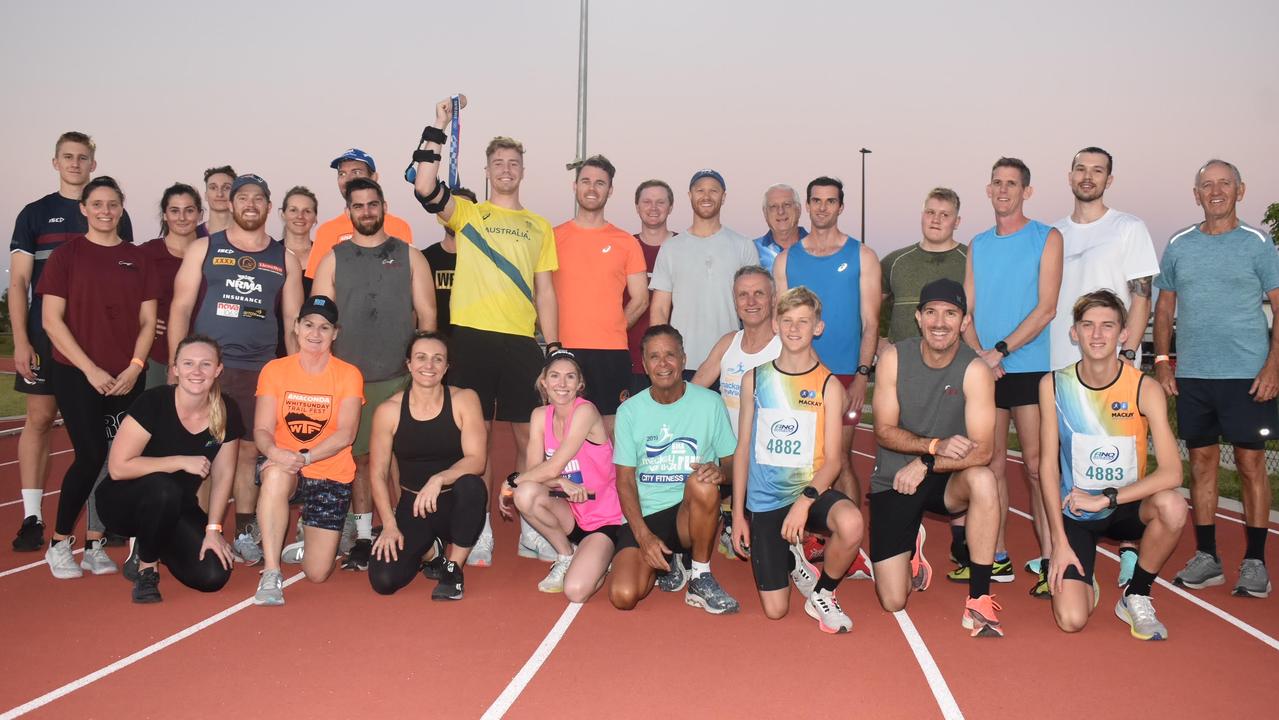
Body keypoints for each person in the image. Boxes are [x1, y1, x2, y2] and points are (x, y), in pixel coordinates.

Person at [410, 97, 560, 567]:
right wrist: (438, 127)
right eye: (498, 163)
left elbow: (546, 291)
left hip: (520, 341)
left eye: (514, 163)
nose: (506, 169)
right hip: (471, 337)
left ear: (523, 171)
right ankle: (480, 530)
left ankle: (531, 523)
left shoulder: (539, 226)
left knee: (525, 436)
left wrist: (554, 347)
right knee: (475, 435)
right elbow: (424, 185)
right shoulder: (469, 214)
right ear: (488, 170)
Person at [1156, 159, 1278, 599]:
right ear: (1196, 194)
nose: (1216, 191)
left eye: (1225, 184)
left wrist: (1273, 366)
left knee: (1250, 466)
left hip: (1247, 375)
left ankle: (1255, 562)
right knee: (1202, 464)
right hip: (1194, 375)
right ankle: (1207, 556)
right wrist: (1164, 360)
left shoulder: (1258, 243)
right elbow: (1165, 307)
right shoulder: (1179, 244)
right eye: (1207, 185)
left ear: (1240, 191)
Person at [168, 174, 305, 565]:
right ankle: (195, 530)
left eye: (257, 198)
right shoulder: (204, 248)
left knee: (247, 454)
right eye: (242, 197)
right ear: (230, 203)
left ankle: (246, 532)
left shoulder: (284, 259)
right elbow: (179, 307)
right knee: (204, 454)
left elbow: (293, 317)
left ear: (267, 206)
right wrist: (178, 366)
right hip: (207, 370)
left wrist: (295, 373)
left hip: (260, 369)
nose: (249, 204)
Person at [9, 131, 135, 552]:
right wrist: (23, 340)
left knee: (102, 436)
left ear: (93, 164)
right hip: (50, 337)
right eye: (68, 157)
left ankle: (101, 524)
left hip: (103, 343)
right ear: (56, 162)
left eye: (83, 157)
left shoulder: (116, 214)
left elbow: (127, 281)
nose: (75, 164)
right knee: (41, 419)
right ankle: (31, 517)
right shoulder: (35, 214)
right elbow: (22, 282)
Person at [1040, 290, 1188, 639]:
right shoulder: (1054, 385)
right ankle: (1083, 570)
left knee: (1173, 505)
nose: (1097, 335)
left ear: (1123, 334)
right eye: (1087, 325)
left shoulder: (1144, 388)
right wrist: (1057, 544)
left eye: (1108, 326)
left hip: (1123, 507)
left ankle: (1136, 593)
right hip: (1075, 513)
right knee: (1071, 620)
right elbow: (1047, 467)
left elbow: (1172, 472)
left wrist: (1106, 498)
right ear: (1073, 332)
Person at [1044, 148, 1160, 592]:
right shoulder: (1054, 233)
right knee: (1058, 465)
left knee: (1122, 463)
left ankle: (1131, 555)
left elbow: (1141, 294)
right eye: (1080, 169)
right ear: (1069, 175)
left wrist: (1128, 353)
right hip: (1062, 367)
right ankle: (1058, 549)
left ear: (1109, 179)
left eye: (1097, 171)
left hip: (1112, 366)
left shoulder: (1128, 228)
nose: (1087, 177)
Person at [312, 176, 436, 570]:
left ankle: (406, 529)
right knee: (362, 461)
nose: (366, 211)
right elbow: (319, 320)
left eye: (372, 204)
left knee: (402, 460)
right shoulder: (333, 257)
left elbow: (429, 317)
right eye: (358, 206)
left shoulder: (410, 256)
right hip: (350, 379)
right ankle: (365, 535)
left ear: (384, 206)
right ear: (348, 211)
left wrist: (423, 370)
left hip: (399, 376)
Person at [869, 279, 1003, 637]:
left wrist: (928, 462)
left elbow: (984, 450)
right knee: (893, 600)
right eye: (931, 312)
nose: (939, 322)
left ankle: (978, 598)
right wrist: (933, 446)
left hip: (945, 478)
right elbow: (883, 430)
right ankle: (911, 541)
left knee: (984, 479)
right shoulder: (895, 357)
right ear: (918, 317)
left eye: (950, 313)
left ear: (964, 322)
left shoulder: (975, 370)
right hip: (895, 478)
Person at [38, 176, 157, 579]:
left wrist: (135, 366)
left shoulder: (137, 258)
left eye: (113, 204)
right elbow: (51, 321)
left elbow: (147, 320)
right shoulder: (66, 256)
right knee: (89, 456)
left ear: (122, 209)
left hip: (126, 376)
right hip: (77, 374)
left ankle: (94, 543)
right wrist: (90, 369)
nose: (105, 211)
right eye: (98, 204)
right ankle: (58, 543)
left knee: (114, 461)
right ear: (84, 209)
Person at [731, 287, 860, 633]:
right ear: (775, 324)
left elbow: (834, 460)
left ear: (818, 327)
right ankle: (792, 558)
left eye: (804, 321)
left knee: (852, 523)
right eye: (787, 320)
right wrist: (738, 515)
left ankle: (823, 594)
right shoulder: (755, 378)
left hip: (809, 493)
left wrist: (804, 503)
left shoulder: (829, 385)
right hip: (765, 502)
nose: (794, 328)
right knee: (775, 610)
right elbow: (743, 448)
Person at [960, 157, 1063, 585]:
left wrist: (1000, 351)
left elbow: (1047, 308)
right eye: (997, 183)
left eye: (1012, 184)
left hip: (1029, 367)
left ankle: (1050, 557)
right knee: (992, 464)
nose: (1004, 190)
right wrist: (980, 354)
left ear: (1027, 191)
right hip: (986, 365)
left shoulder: (1047, 237)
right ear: (988, 190)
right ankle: (996, 554)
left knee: (1038, 467)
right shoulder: (978, 244)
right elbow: (967, 309)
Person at [774, 176, 881, 574]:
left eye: (830, 201)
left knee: (843, 459)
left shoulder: (862, 256)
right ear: (807, 205)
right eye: (815, 201)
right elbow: (781, 323)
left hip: (843, 375)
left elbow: (870, 323)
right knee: (803, 461)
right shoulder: (787, 259)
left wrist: (861, 375)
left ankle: (851, 549)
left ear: (840, 206)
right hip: (798, 375)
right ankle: (809, 538)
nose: (822, 208)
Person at [96, 336, 241, 602]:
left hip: (176, 506)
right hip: (123, 503)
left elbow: (223, 476)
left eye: (205, 364)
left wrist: (213, 530)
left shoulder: (226, 410)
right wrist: (180, 461)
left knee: (213, 576)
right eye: (188, 364)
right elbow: (117, 468)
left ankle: (153, 539)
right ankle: (146, 567)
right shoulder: (153, 402)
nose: (196, 372)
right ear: (175, 368)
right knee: (165, 488)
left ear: (218, 369)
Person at [609, 325, 739, 614]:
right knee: (624, 595)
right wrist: (643, 537)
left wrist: (721, 473)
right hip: (647, 515)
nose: (663, 363)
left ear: (683, 358)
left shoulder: (710, 403)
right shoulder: (629, 411)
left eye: (670, 355)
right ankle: (669, 565)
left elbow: (732, 464)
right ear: (644, 365)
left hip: (688, 514)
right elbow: (625, 482)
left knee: (703, 482)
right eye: (654, 357)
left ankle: (700, 576)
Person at [251, 296, 364, 605]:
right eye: (309, 325)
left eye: (324, 327)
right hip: (286, 467)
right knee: (273, 476)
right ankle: (272, 571)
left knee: (317, 572)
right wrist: (275, 453)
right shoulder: (275, 371)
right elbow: (261, 430)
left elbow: (346, 433)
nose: (316, 334)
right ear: (297, 328)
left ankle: (309, 537)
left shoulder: (349, 374)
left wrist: (306, 458)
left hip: (329, 473)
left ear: (335, 333)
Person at [368, 332, 487, 600]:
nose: (429, 366)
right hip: (414, 507)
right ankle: (431, 553)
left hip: (455, 504)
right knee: (384, 581)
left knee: (472, 485)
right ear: (409, 364)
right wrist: (389, 524)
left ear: (446, 367)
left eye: (437, 359)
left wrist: (440, 478)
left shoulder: (464, 400)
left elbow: (477, 461)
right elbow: (377, 474)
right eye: (421, 358)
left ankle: (453, 569)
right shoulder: (388, 411)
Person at [509, 351, 623, 600]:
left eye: (570, 377)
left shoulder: (585, 412)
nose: (562, 384)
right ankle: (565, 554)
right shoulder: (540, 416)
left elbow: (547, 468)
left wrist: (511, 482)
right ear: (544, 382)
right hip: (570, 513)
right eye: (555, 376)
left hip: (604, 518)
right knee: (525, 494)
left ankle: (603, 558)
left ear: (579, 384)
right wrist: (559, 481)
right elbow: (533, 473)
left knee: (576, 592)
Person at [553, 155, 648, 433]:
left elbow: (641, 298)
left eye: (600, 183)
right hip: (565, 350)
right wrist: (552, 335)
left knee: (610, 430)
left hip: (611, 352)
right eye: (586, 181)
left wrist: (613, 326)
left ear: (610, 190)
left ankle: (610, 480)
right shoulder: (553, 236)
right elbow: (539, 294)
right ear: (575, 186)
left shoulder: (626, 242)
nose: (592, 188)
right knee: (564, 429)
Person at [648, 169, 759, 371]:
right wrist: (661, 356)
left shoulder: (743, 246)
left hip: (731, 362)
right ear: (690, 196)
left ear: (723, 197)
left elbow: (756, 307)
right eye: (700, 190)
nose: (706, 196)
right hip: (682, 362)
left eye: (713, 191)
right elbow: (660, 309)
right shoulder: (671, 248)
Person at [304, 148, 414, 280]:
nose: (348, 179)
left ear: (374, 177)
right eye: (342, 174)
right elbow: (315, 285)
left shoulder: (399, 227)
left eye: (356, 172)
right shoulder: (326, 231)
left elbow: (408, 280)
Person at [880, 188, 968, 344]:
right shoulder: (895, 261)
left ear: (957, 222)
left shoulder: (971, 260)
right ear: (922, 216)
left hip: (957, 362)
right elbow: (864, 310)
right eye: (930, 212)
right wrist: (878, 343)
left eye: (945, 215)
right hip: (901, 363)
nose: (936, 220)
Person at [140, 183, 203, 389]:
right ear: (165, 215)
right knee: (157, 416)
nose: (182, 217)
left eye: (189, 210)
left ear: (200, 214)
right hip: (157, 354)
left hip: (205, 353)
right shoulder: (146, 254)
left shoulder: (213, 253)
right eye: (174, 211)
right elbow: (119, 296)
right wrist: (138, 319)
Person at [625, 180, 675, 395]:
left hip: (672, 363)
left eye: (660, 202)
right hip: (629, 360)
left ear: (670, 207)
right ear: (637, 207)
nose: (653, 208)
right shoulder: (624, 246)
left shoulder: (683, 247)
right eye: (646, 202)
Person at [422, 187, 479, 335]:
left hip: (475, 346)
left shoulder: (485, 261)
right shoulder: (424, 259)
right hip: (437, 347)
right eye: (452, 209)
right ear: (441, 214)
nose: (456, 216)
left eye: (462, 210)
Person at [753, 184, 808, 273]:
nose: (781, 211)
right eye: (773, 207)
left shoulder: (819, 246)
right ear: (765, 213)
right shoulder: (752, 250)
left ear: (798, 209)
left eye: (787, 205)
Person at [201, 166, 235, 237]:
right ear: (206, 195)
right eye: (213, 188)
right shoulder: (193, 235)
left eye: (227, 188)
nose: (220, 194)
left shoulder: (247, 234)